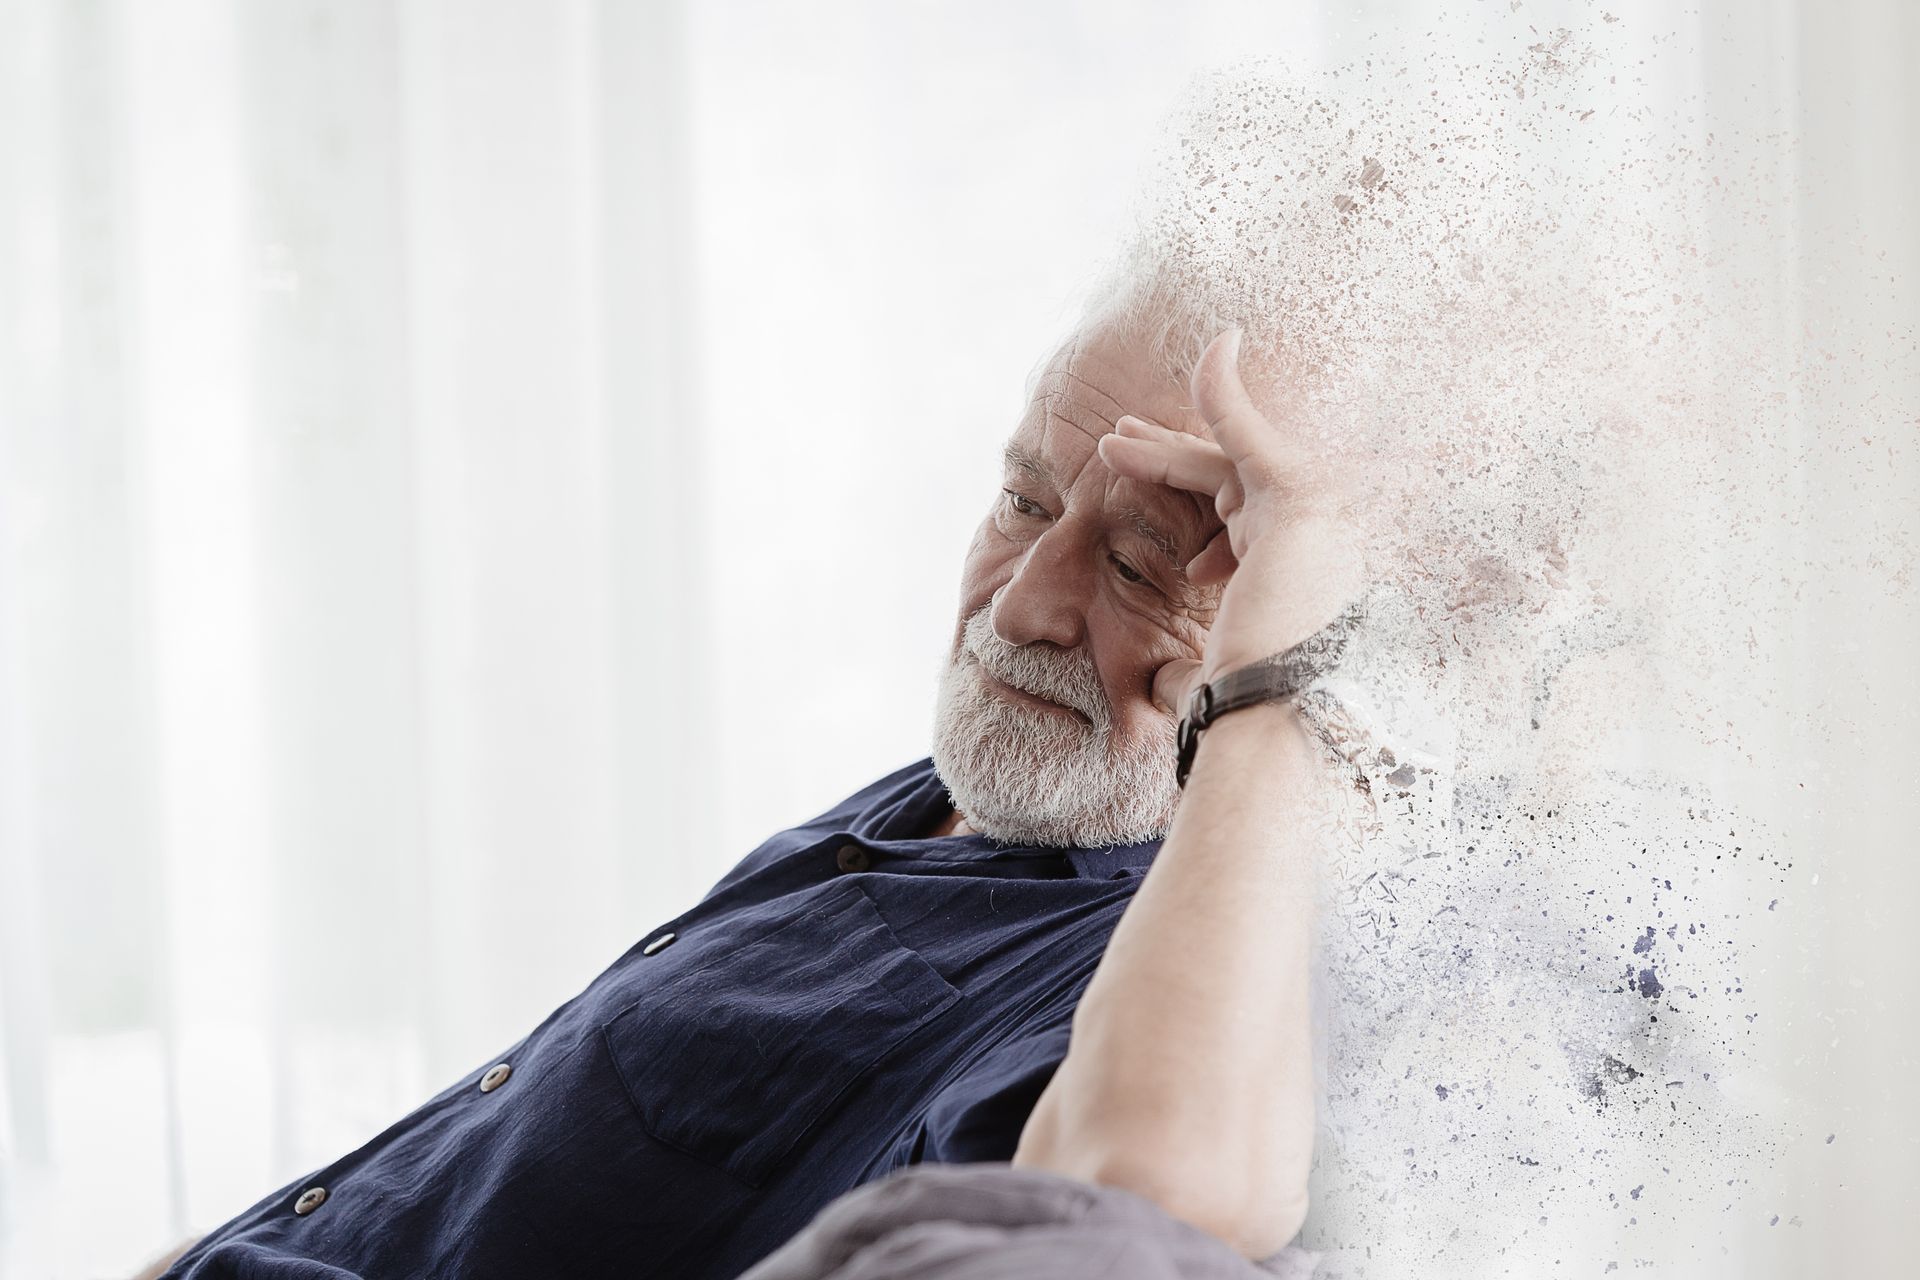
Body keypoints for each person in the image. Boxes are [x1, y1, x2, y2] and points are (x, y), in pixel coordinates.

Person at [133, 297, 1369, 1280]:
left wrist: (1278, 686)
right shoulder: (991, 780)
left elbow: (1126, 1209)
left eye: (1146, 567)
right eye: (1022, 501)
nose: (1020, 601)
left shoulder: (1162, 977)